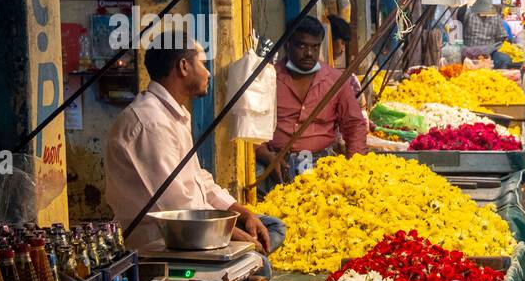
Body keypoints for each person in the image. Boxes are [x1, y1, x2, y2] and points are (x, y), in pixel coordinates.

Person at [105, 30, 281, 255]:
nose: (208, 72)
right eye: (203, 64)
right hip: (166, 238)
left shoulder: (173, 114)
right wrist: (236, 236)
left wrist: (243, 213)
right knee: (257, 260)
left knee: (272, 227)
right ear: (184, 67)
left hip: (193, 223)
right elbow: (178, 208)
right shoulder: (150, 122)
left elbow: (199, 180)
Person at [254, 15, 368, 197]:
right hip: (274, 163)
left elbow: (354, 124)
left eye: (315, 47)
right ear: (287, 44)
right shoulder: (268, 78)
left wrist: (356, 168)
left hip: (322, 164)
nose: (309, 53)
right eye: (302, 46)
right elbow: (252, 127)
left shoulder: (335, 80)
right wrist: (267, 156)